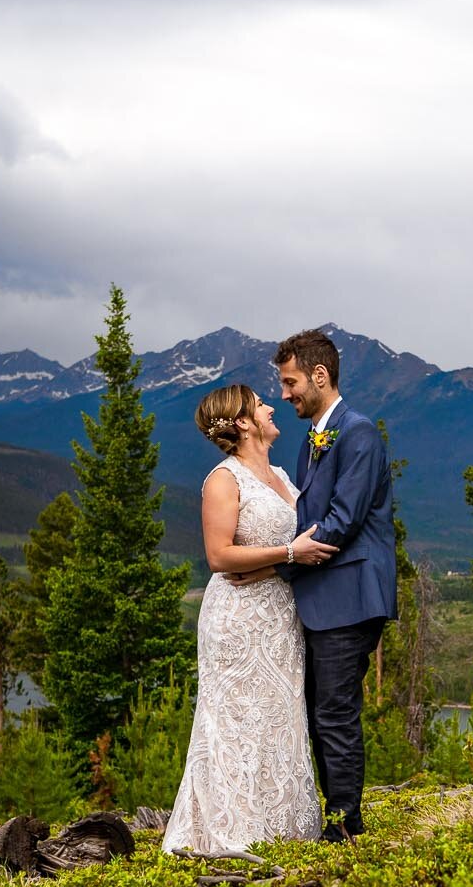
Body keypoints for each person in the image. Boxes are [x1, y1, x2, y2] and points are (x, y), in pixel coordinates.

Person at [160, 383, 338, 855]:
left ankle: (283, 825)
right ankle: (232, 827)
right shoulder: (224, 479)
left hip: (280, 615)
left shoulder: (282, 472)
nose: (271, 407)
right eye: (261, 404)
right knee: (237, 719)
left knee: (279, 715)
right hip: (237, 621)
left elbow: (291, 550)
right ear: (242, 422)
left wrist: (278, 561)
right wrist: (288, 552)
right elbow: (219, 556)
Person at [273, 328, 397, 842]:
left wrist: (277, 564)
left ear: (319, 376)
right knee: (320, 711)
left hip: (350, 596)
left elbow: (342, 521)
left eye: (291, 382)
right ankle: (334, 816)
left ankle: (346, 824)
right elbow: (308, 511)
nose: (285, 395)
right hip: (324, 598)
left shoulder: (359, 433)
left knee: (335, 712)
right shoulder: (313, 440)